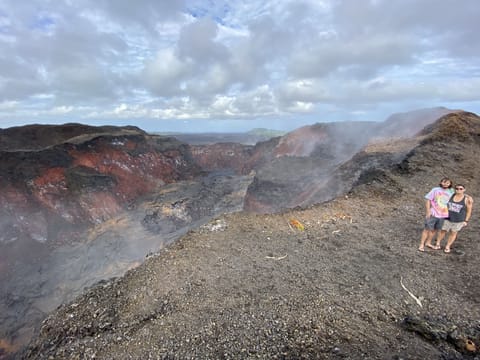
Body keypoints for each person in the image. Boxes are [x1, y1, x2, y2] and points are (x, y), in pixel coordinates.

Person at [434, 183, 473, 253]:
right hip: (447, 217)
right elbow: (443, 193)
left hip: (458, 220)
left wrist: (466, 221)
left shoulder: (467, 200)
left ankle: (448, 246)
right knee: (443, 231)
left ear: (464, 190)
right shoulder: (450, 195)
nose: (458, 190)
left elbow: (469, 211)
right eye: (457, 189)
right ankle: (438, 243)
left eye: (461, 189)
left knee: (453, 233)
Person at [418, 177, 454, 252]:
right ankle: (421, 244)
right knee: (427, 229)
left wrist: (468, 197)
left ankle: (428, 243)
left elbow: (460, 195)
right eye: (444, 182)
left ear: (450, 184)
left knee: (435, 230)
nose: (445, 184)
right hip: (433, 213)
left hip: (443, 215)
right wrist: (428, 211)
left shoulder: (451, 192)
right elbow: (428, 200)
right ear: (441, 182)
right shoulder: (435, 190)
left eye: (447, 183)